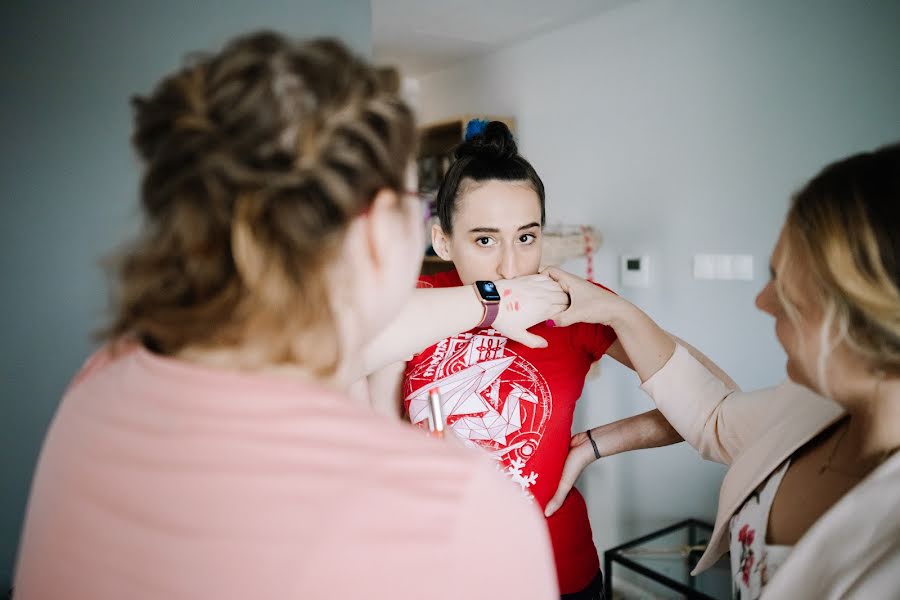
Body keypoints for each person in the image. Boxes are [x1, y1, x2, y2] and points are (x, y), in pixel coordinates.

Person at [13, 33, 560, 600]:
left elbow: (349, 334)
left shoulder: (99, 380)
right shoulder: (463, 511)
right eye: (415, 208)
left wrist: (492, 301)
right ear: (378, 230)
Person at [545, 143, 900, 598]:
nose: (762, 302)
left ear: (873, 321)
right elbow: (711, 414)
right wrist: (621, 315)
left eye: (790, 292)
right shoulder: (810, 408)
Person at [371, 121, 706, 599]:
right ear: (442, 241)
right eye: (485, 240)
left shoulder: (571, 304)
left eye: (526, 238)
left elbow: (705, 398)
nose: (511, 267)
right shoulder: (418, 304)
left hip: (554, 572)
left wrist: (594, 444)